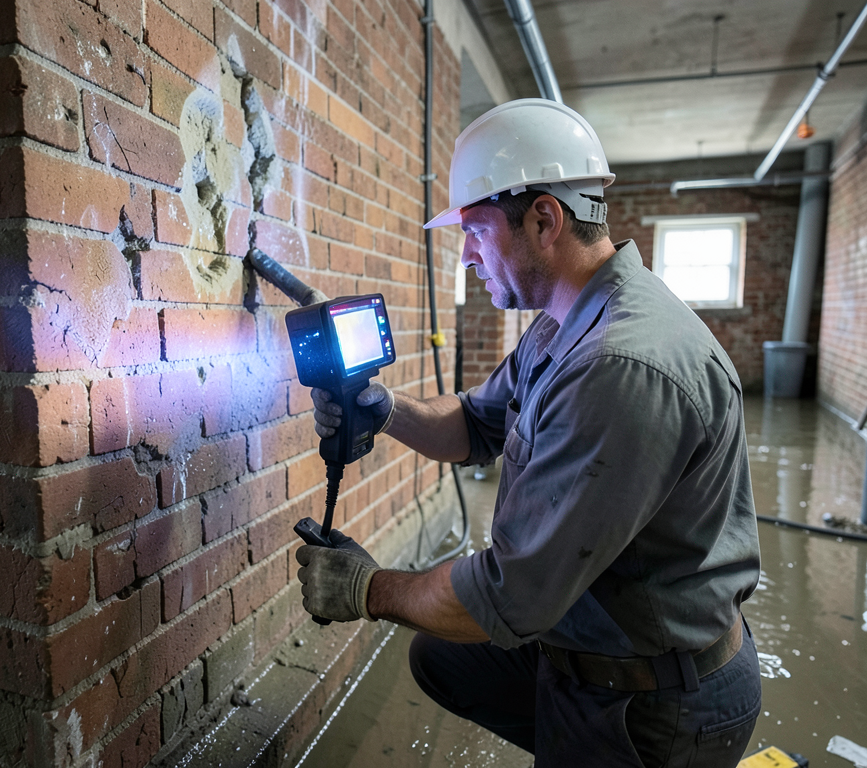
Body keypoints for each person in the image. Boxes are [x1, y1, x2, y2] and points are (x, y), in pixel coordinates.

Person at [295, 99, 762, 767]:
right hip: (595, 645)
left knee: (454, 622)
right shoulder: (570, 317)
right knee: (442, 656)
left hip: (654, 704)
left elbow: (511, 595)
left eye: (478, 232)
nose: (467, 256)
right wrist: (387, 409)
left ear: (544, 219)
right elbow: (479, 424)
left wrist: (366, 588)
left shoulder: (617, 367)